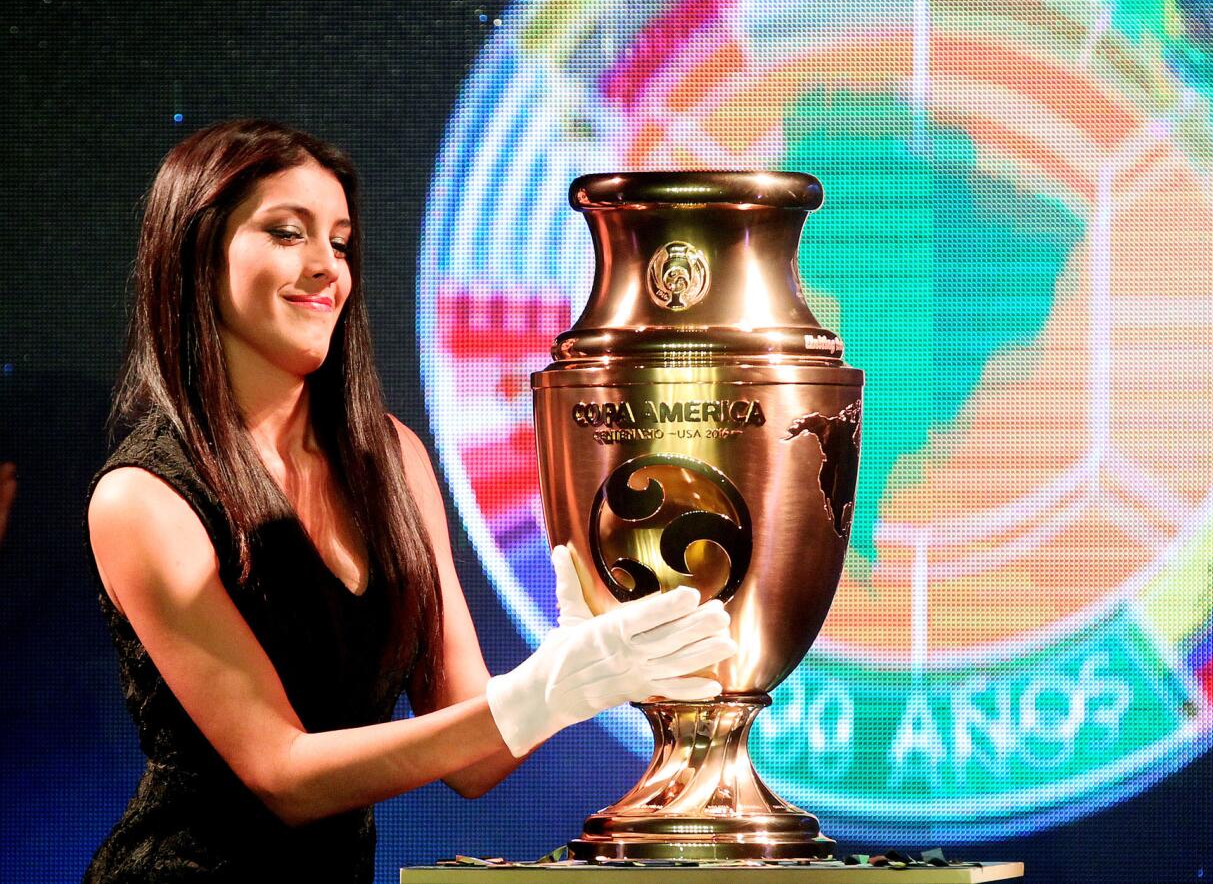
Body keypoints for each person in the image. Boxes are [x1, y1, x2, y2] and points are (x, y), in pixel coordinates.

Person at [83, 118, 737, 883]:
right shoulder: (142, 497)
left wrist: (567, 682)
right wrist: (538, 694)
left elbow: (471, 760)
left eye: (339, 241)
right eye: (286, 233)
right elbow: (286, 775)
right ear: (197, 252)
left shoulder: (392, 460)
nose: (327, 268)